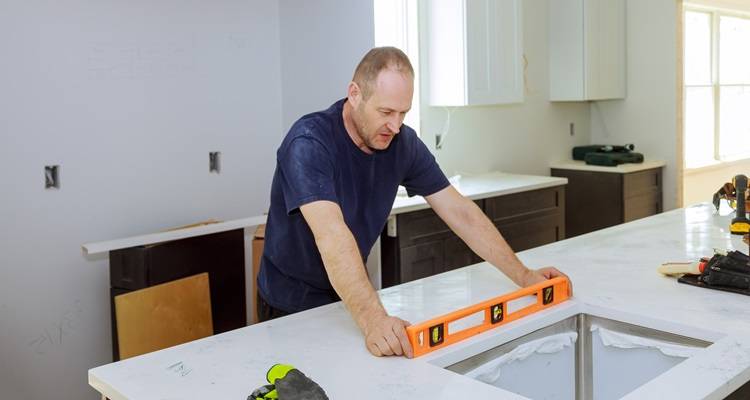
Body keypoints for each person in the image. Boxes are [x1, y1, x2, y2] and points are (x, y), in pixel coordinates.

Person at [257, 46, 570, 358]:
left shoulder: (402, 143)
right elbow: (332, 236)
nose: (395, 125)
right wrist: (374, 319)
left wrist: (524, 275)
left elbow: (461, 212)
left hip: (345, 299)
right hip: (289, 304)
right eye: (385, 112)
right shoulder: (309, 142)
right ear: (355, 94)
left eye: (403, 113)